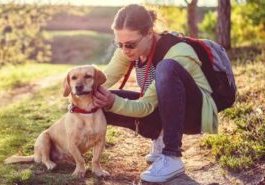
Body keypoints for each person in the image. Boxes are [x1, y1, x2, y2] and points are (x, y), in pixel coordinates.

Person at [93, 4, 219, 183]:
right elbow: (102, 81)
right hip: (161, 107)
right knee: (98, 100)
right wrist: (83, 93)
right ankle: (160, 135)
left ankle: (172, 156)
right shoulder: (128, 50)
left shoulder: (177, 52)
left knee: (165, 68)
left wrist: (113, 101)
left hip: (194, 114)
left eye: (130, 44)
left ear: (149, 33)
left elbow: (145, 106)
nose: (124, 50)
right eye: (119, 44)